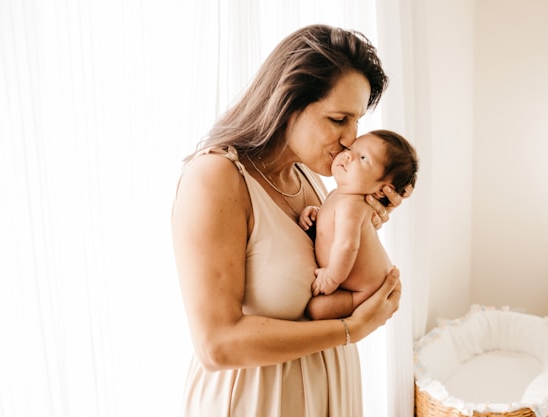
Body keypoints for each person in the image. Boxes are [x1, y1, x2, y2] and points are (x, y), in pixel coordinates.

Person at [171, 24, 405, 417]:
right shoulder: (215, 178)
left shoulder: (308, 178)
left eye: (357, 122)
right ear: (287, 103)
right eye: (337, 119)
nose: (351, 139)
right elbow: (217, 345)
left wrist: (365, 219)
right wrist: (351, 330)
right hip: (257, 403)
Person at [300, 130, 418, 321]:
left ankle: (355, 301)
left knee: (316, 310)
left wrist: (331, 278)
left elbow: (347, 246)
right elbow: (332, 225)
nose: (348, 155)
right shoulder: (337, 195)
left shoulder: (353, 206)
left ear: (382, 191)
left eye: (363, 158)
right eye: (351, 148)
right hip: (357, 279)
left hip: (368, 289)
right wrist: (316, 214)